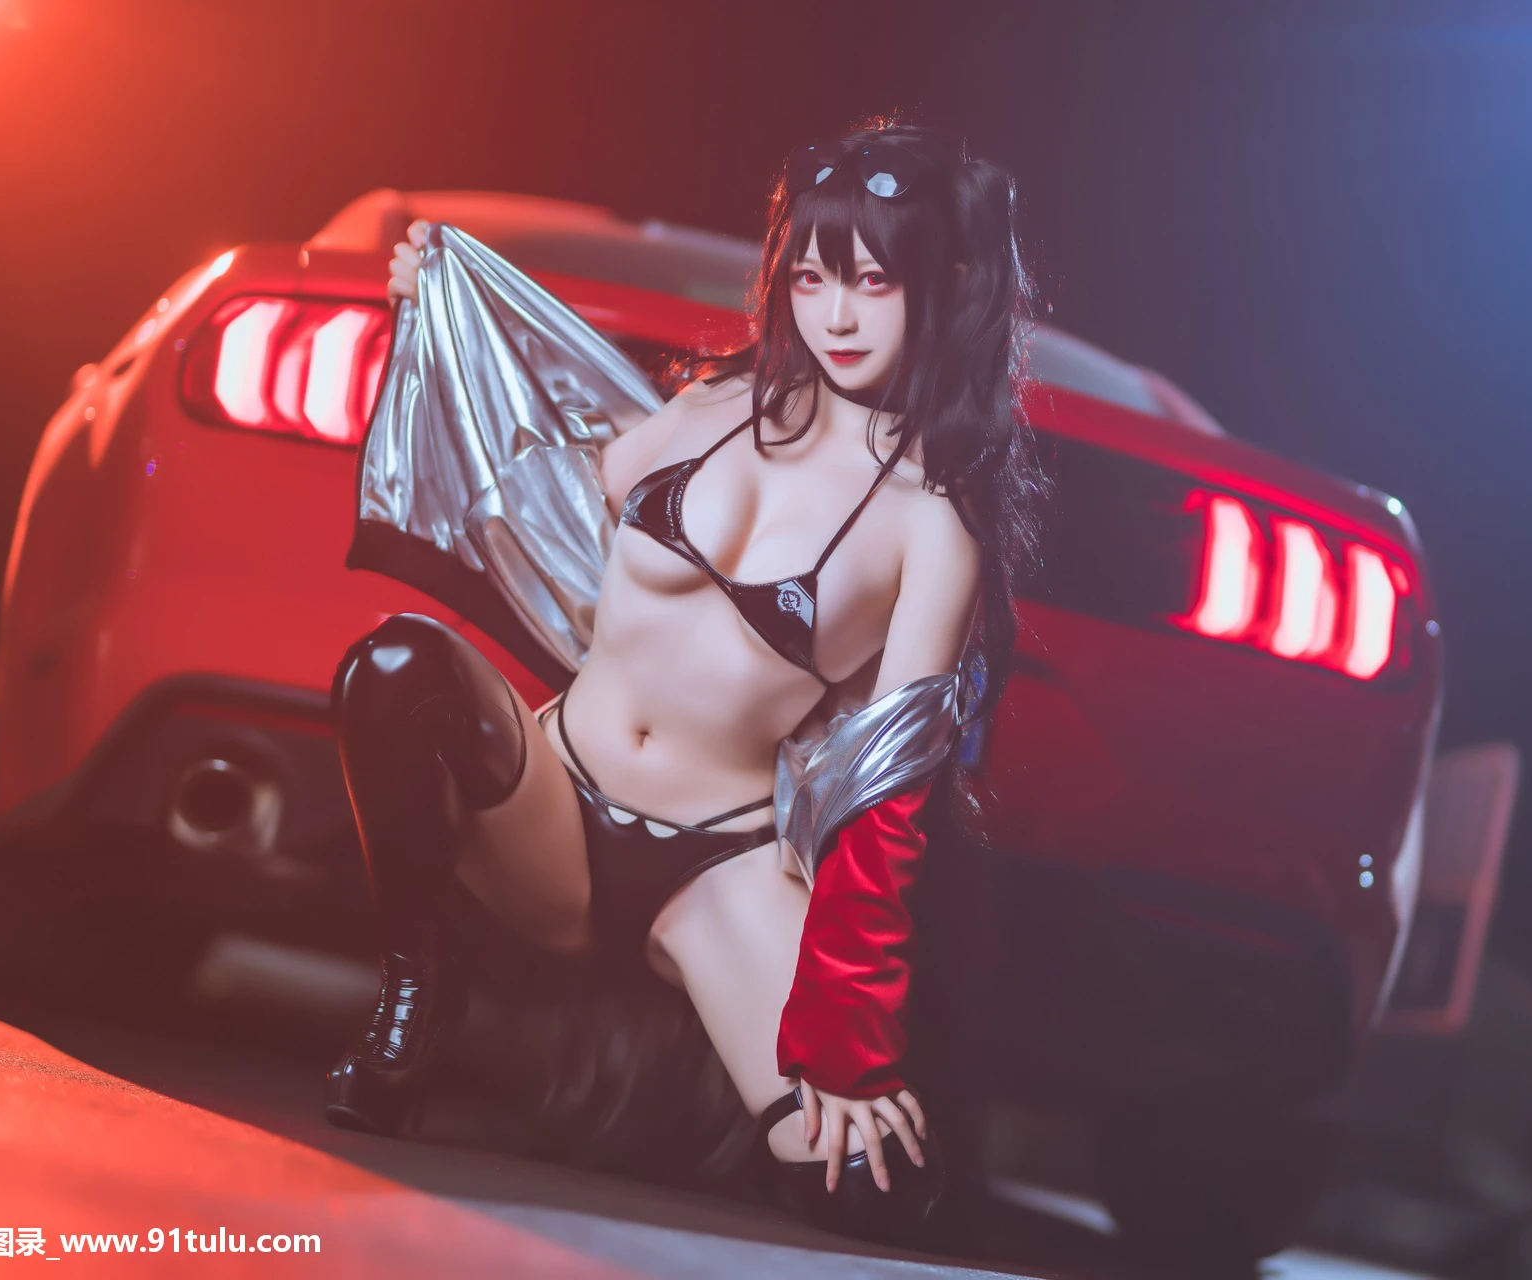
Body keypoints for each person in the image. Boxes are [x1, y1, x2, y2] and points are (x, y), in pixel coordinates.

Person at [323, 122, 1049, 1242]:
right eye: (811, 278)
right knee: (392, 666)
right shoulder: (712, 409)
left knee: (868, 1186)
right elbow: (554, 463)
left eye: (873, 282)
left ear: (944, 287)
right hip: (550, 804)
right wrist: (448, 310)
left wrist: (849, 1040)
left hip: (717, 872)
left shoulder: (931, 523)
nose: (836, 316)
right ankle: (419, 1001)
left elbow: (888, 795)